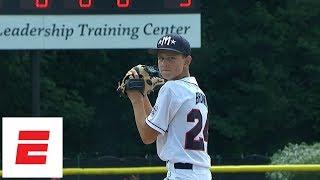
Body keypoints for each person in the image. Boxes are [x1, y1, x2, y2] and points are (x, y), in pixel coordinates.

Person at [125, 33, 211, 180]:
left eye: (172, 58)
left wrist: (136, 99)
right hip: (200, 174)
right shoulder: (197, 91)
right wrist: (144, 95)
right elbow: (158, 124)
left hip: (181, 174)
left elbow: (147, 136)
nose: (165, 63)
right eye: (161, 58)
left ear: (187, 61)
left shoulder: (171, 88)